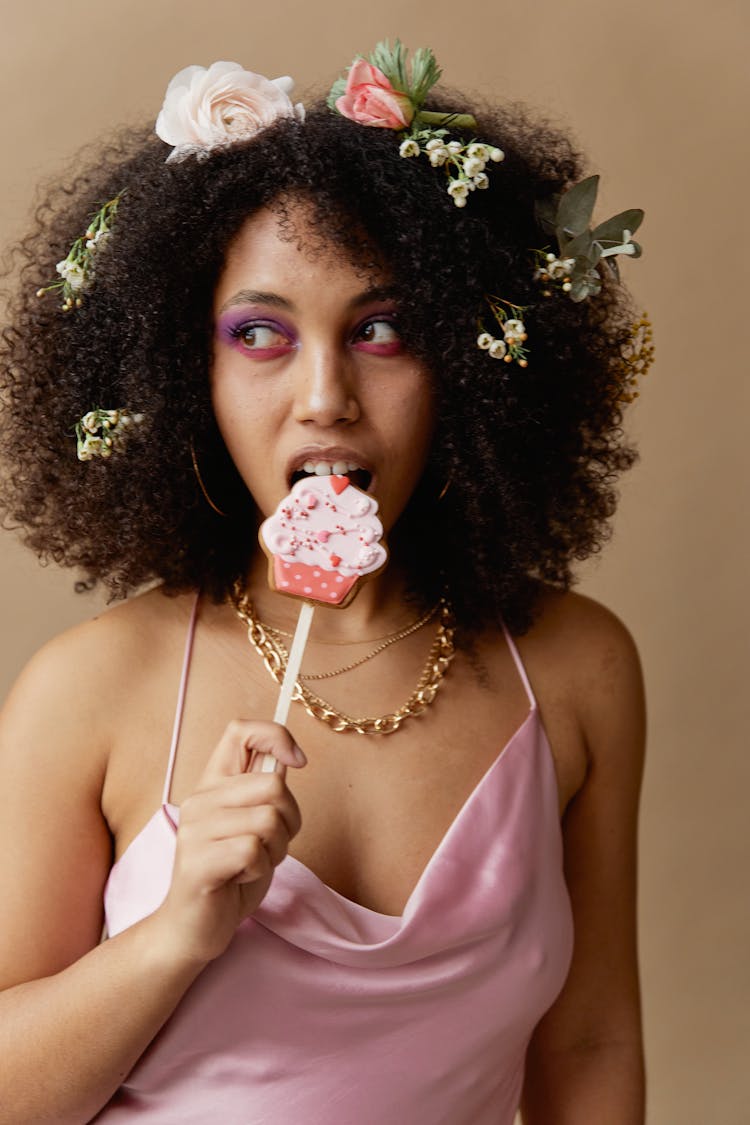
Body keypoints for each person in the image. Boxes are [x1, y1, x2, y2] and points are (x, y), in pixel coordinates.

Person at [0, 43, 650, 1124]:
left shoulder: (577, 668)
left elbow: (589, 1042)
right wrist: (179, 934)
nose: (325, 397)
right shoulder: (90, 689)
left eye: (381, 330)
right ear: (183, 370)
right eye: (259, 334)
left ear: (468, 366)